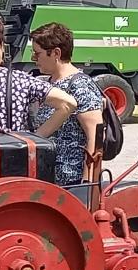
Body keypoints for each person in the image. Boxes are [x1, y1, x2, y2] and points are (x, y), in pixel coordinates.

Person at [26, 21, 107, 185]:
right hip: (51, 180)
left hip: (71, 182)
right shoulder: (50, 84)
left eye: (37, 53)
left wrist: (87, 184)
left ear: (56, 53)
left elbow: (95, 137)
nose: (33, 58)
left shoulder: (80, 86)